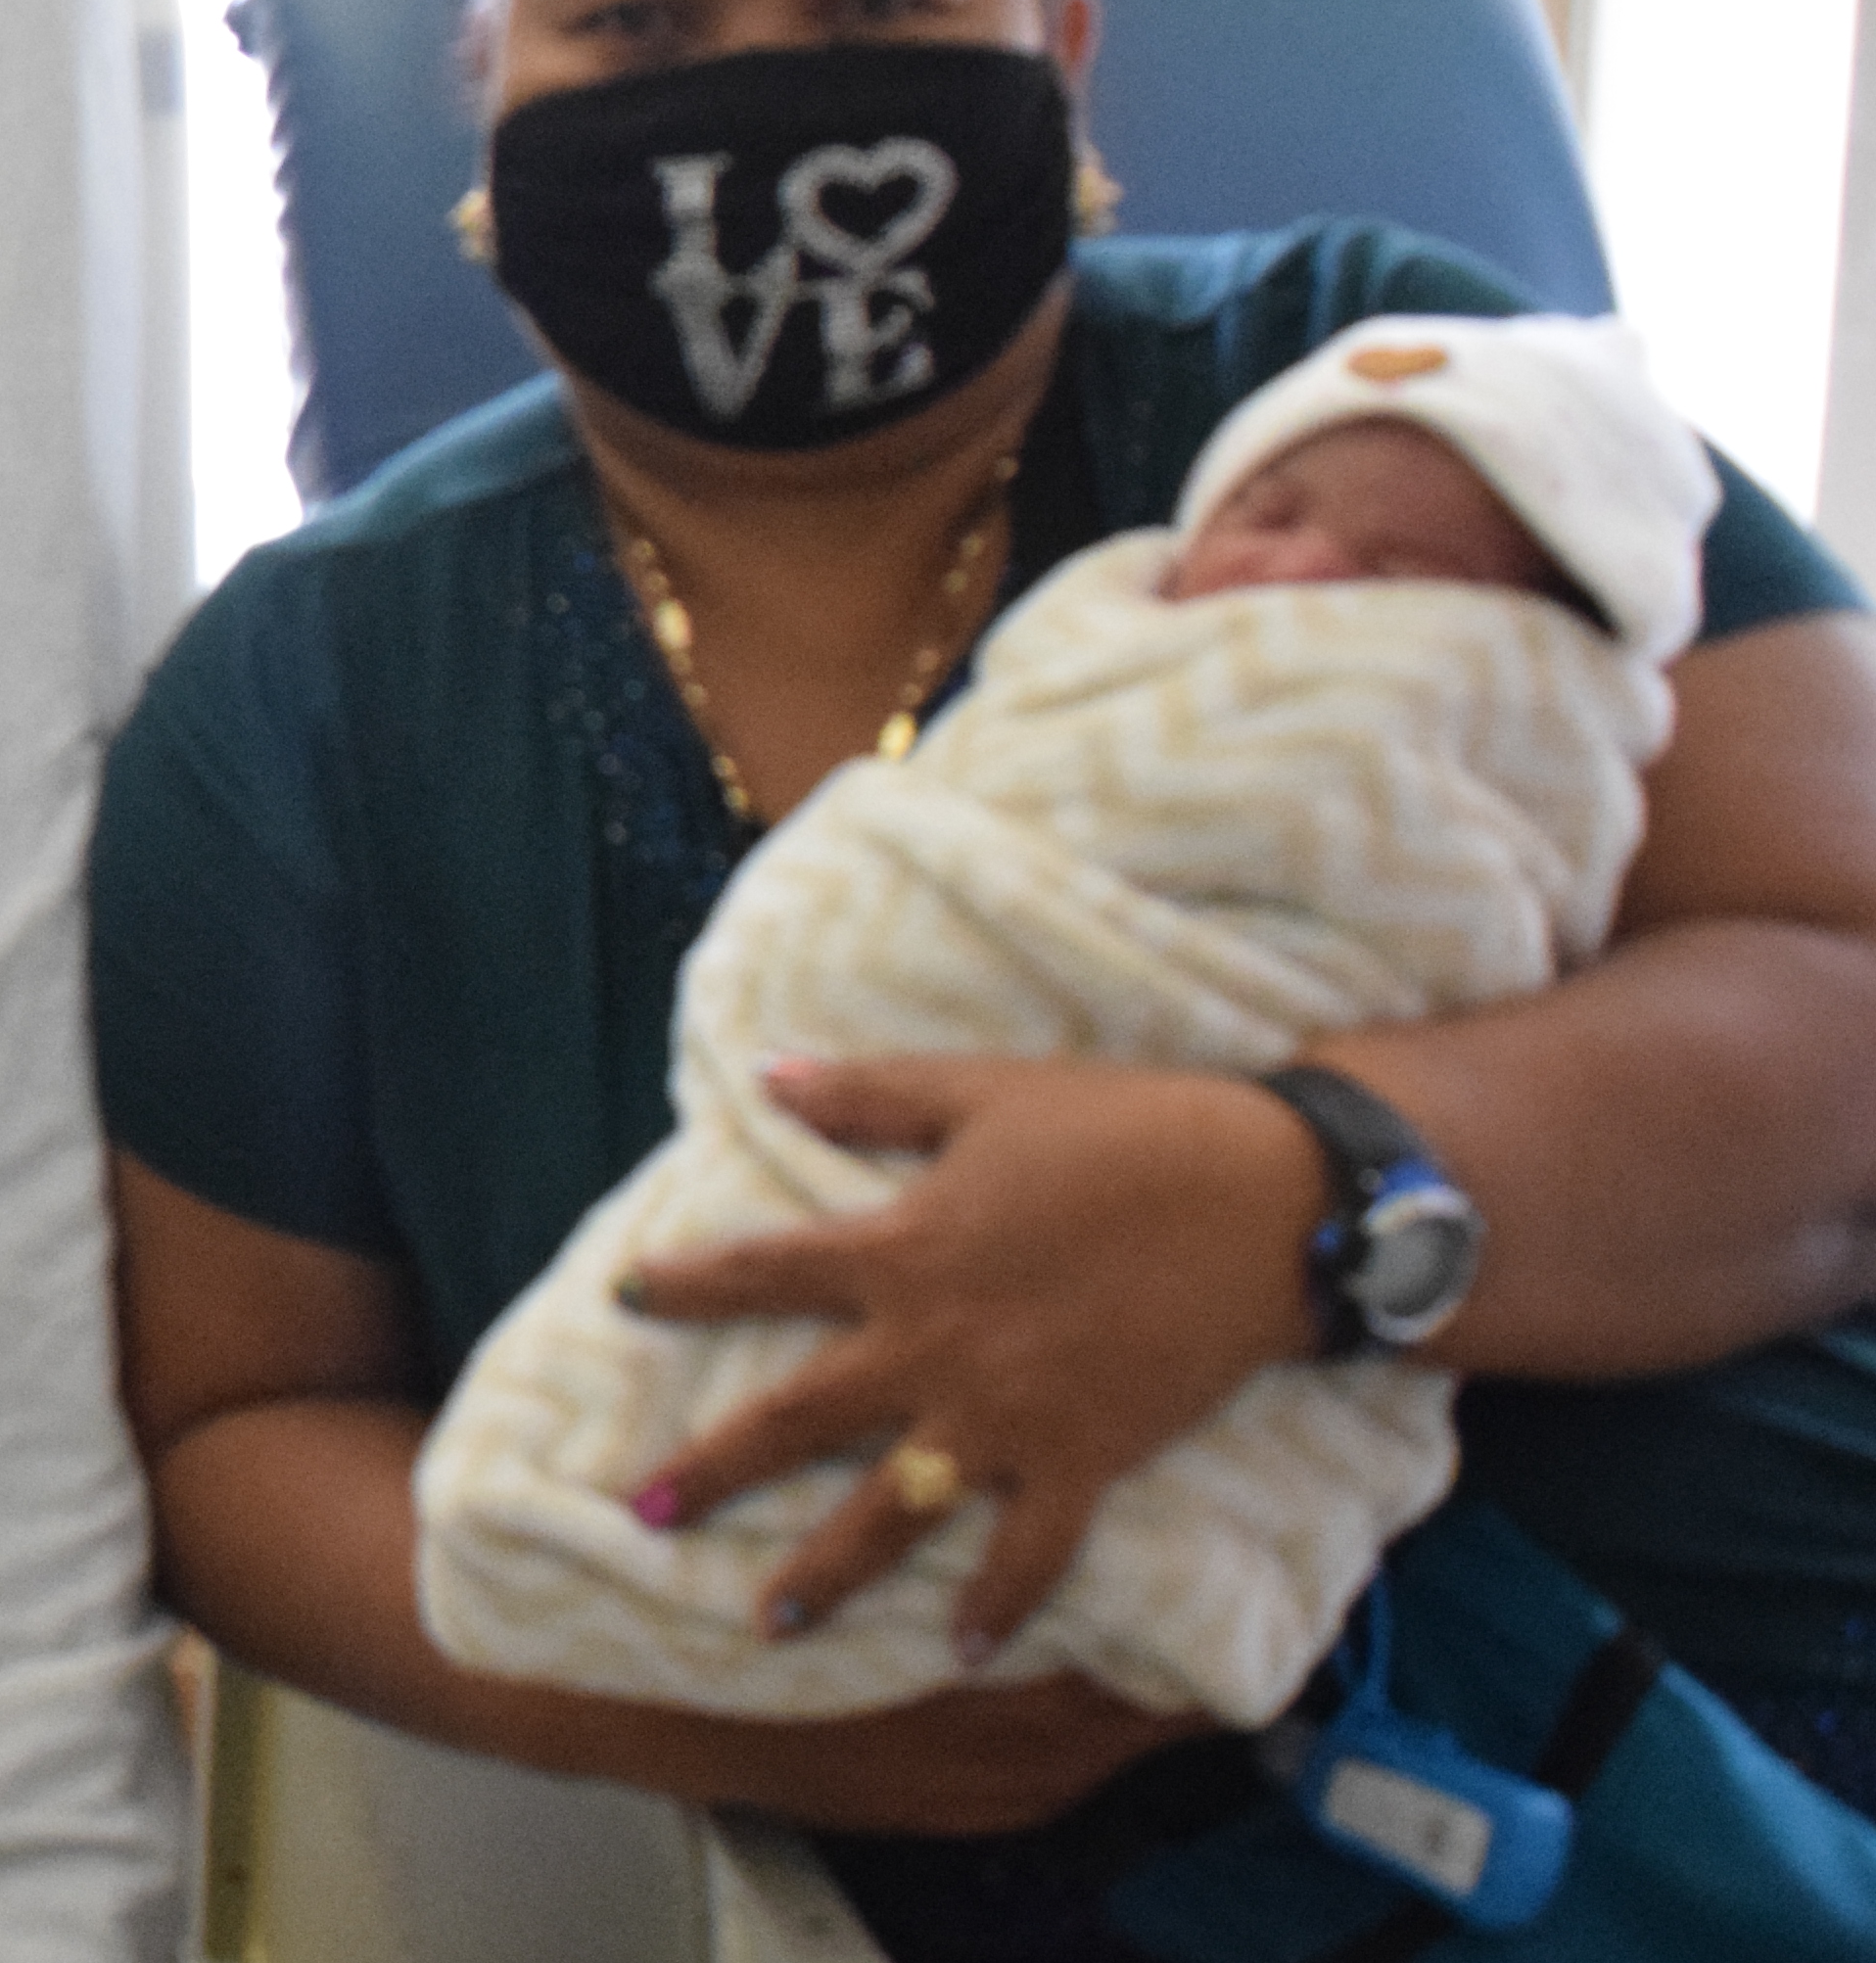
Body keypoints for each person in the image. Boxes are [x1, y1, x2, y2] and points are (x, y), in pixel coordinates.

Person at [99, 0, 1876, 1963]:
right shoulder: (310, 705)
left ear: (1055, 54)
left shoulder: (1393, 413)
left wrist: (1310, 1197)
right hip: (1087, 1916)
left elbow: (1844, 1005)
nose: (756, 84)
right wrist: (675, 1685)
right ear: (492, 98)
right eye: (640, 10)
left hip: (1776, 1671)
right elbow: (231, 1435)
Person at [418, 312, 1717, 1726]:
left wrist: (1282, 1192)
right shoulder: (357, 633)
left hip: (1535, 1684)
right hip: (861, 1125)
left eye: (1406, 574)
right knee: (593, 1438)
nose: (1307, 576)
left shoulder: (1350, 353)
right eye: (1270, 515)